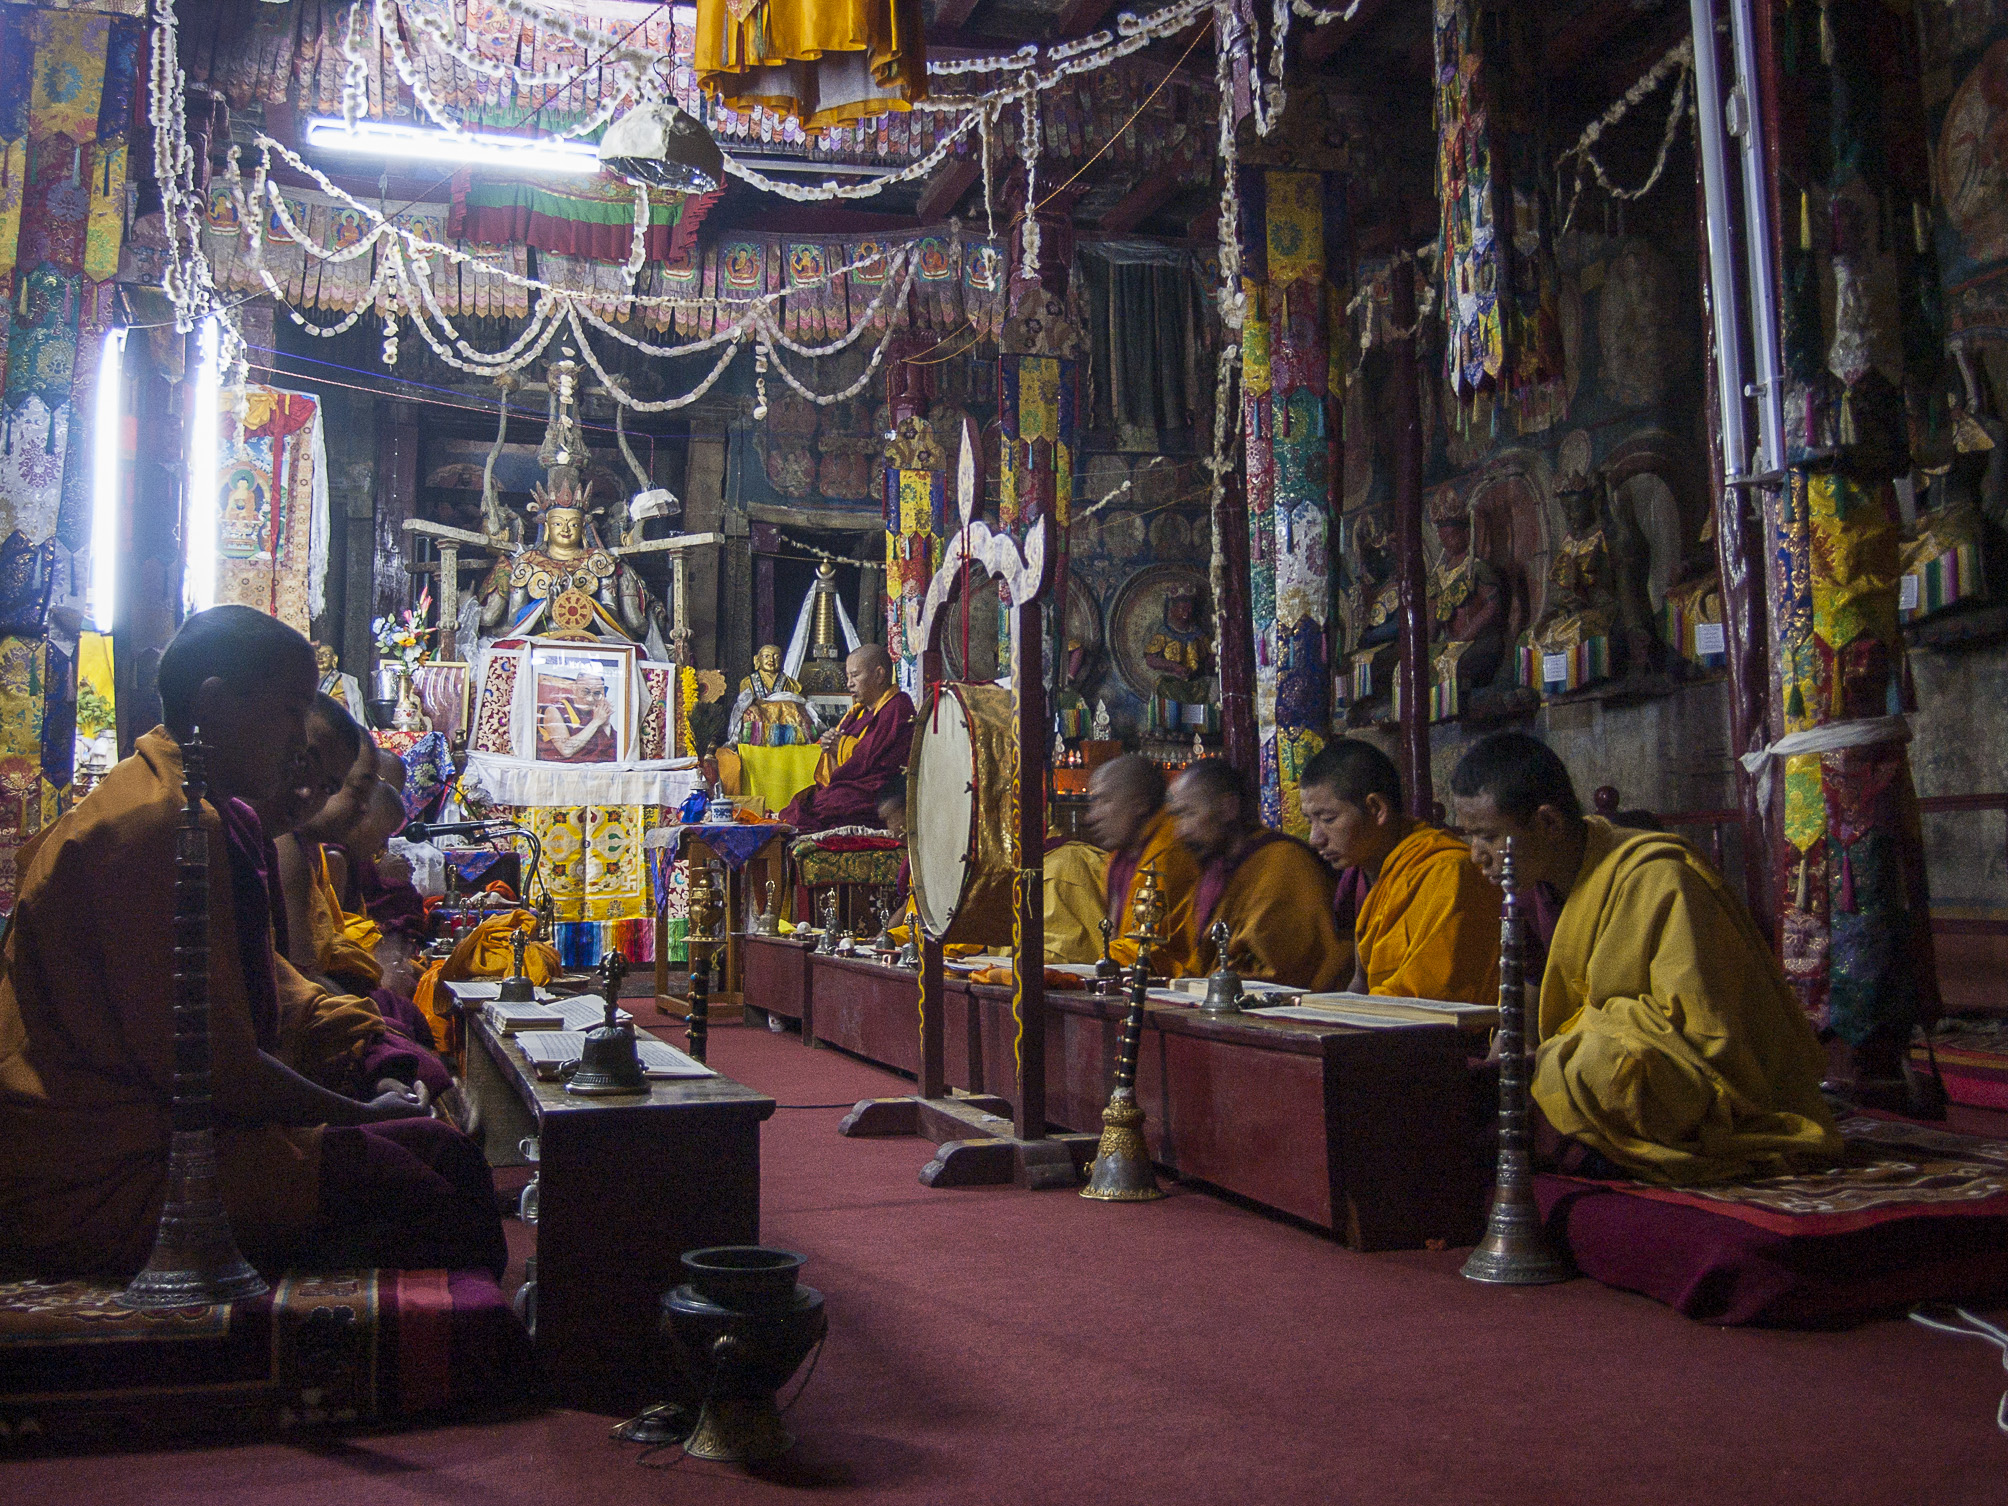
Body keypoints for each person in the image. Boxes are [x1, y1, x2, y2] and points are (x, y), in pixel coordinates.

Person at [0, 605, 505, 1279]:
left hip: (137, 1140)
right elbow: (217, 1072)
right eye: (290, 711)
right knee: (429, 1176)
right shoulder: (167, 825)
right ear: (213, 705)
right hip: (105, 1180)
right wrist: (358, 1115)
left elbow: (267, 995)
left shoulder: (174, 798)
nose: (300, 744)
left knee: (423, 1147)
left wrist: (368, 1053)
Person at [1447, 731, 1840, 1185]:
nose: (1475, 855)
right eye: (1469, 836)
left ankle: (1571, 1139)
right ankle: (1561, 1131)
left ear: (1548, 823)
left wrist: (1557, 1053)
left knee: (1602, 1067)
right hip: (1569, 1061)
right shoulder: (1532, 883)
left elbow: (1705, 1032)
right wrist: (1507, 1059)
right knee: (1472, 1081)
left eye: (1488, 836)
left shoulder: (1658, 877)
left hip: (1704, 1074)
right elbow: (1530, 988)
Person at [1298, 739, 1499, 1003]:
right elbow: (1361, 984)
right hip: (1384, 1024)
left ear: (1376, 809)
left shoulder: (1446, 871)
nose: (1315, 838)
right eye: (1309, 820)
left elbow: (1435, 997)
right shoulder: (1365, 876)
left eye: (1328, 819)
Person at [1166, 759, 1346, 990]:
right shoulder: (1216, 871)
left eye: (1188, 814)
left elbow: (1279, 973)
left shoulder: (1283, 862)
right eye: (1176, 817)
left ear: (1228, 808)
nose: (1180, 831)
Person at [780, 643, 915, 834]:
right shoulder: (858, 713)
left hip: (885, 793)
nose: (849, 683)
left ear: (879, 675)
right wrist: (831, 749)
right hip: (856, 786)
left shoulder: (897, 706)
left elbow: (869, 759)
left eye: (855, 675)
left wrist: (840, 745)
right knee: (808, 800)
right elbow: (843, 769)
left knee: (828, 803)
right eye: (848, 676)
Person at [1087, 754, 1201, 977]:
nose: (1093, 816)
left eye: (1105, 801)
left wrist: (1101, 968)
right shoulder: (1119, 858)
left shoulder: (1169, 850)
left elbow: (1145, 944)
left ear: (1139, 804)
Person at [538, 666, 617, 762]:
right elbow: (566, 750)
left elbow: (608, 751)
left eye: (596, 693)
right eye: (585, 692)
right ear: (574, 689)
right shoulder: (554, 711)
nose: (590, 699)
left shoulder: (595, 712)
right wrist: (596, 722)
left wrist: (606, 723)